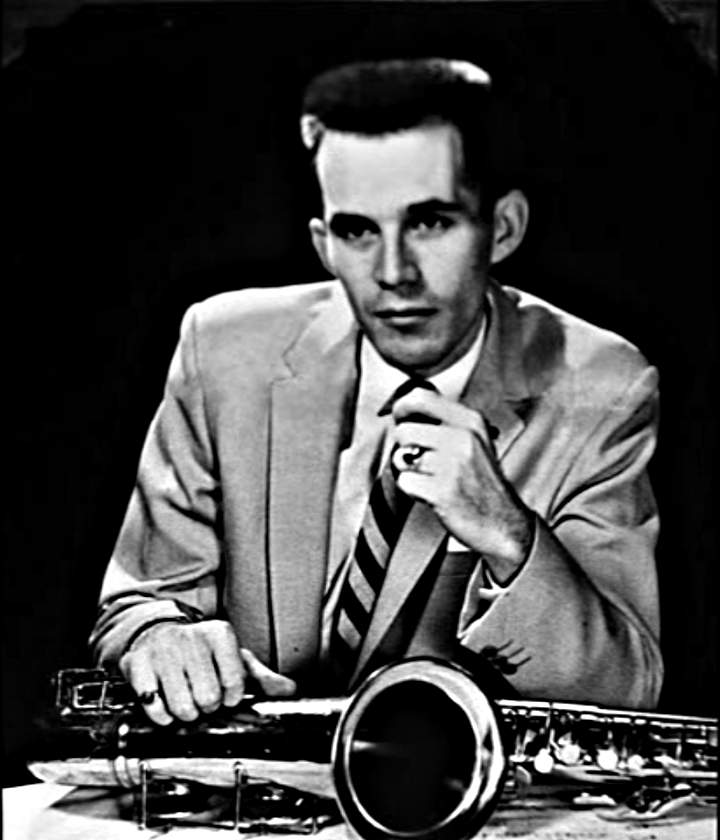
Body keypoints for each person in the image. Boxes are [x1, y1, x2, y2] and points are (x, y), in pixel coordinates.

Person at [90, 58, 662, 726]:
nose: (394, 273)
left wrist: (507, 533)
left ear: (503, 227)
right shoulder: (222, 349)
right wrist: (160, 636)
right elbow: (135, 606)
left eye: (430, 223)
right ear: (323, 244)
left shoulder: (602, 385)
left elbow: (628, 689)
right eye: (358, 231)